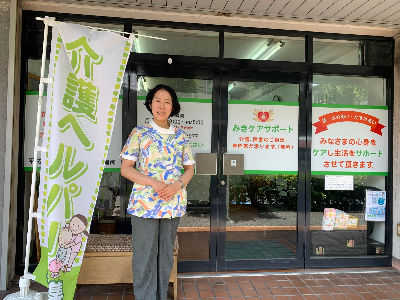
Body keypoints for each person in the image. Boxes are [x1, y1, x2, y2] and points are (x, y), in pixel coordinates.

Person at [120, 84, 195, 300]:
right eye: (157, 100)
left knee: (165, 257)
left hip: (172, 204)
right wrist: (153, 183)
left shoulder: (181, 136)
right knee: (144, 256)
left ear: (173, 107)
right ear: (150, 104)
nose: (162, 106)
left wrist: (176, 186)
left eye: (167, 101)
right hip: (145, 205)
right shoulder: (139, 133)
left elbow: (190, 169)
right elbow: (126, 169)